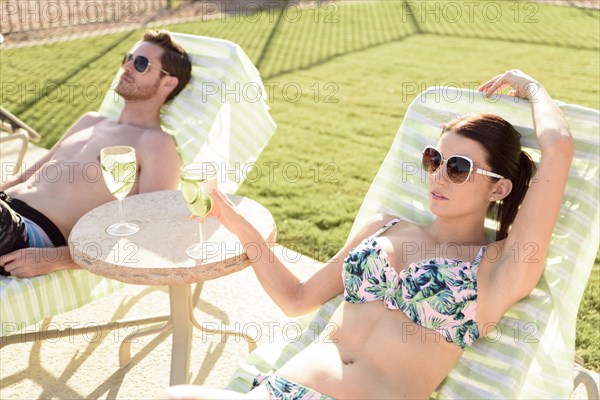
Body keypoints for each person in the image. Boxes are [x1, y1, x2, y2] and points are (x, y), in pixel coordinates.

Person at [163, 69, 573, 400]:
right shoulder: (385, 227)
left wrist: (533, 88)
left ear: (499, 187)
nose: (438, 175)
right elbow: (297, 299)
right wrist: (230, 216)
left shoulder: (500, 266)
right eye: (434, 159)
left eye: (459, 167)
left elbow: (559, 150)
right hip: (279, 390)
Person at [0, 30, 192, 278]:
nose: (126, 66)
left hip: (29, 235)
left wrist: (56, 259)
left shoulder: (157, 144)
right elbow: (24, 177)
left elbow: (149, 229)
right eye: (128, 57)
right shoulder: (89, 121)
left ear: (168, 83)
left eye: (141, 63)